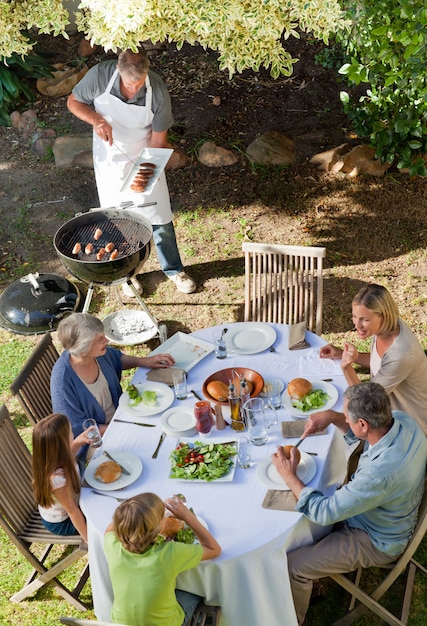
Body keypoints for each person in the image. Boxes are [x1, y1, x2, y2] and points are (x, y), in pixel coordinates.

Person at [271, 382, 427, 625]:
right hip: (386, 510)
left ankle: (295, 620)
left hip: (375, 539)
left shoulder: (379, 474)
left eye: (347, 416)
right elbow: (366, 435)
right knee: (308, 514)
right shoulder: (401, 421)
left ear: (363, 423)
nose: (345, 418)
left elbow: (323, 513)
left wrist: (289, 476)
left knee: (293, 566)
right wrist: (333, 417)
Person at [67, 47, 196, 296]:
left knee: (158, 215)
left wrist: (143, 180)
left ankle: (174, 269)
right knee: (118, 218)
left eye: (139, 84)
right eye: (129, 83)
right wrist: (97, 120)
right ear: (118, 69)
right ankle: (128, 275)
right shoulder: (99, 76)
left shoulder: (157, 91)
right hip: (110, 157)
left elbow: (159, 142)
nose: (134, 88)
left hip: (146, 156)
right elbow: (74, 102)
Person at [50, 313, 174, 459]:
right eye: (100, 340)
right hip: (97, 442)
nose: (107, 341)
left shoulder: (96, 353)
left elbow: (117, 359)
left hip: (123, 417)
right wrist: (123, 428)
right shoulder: (63, 382)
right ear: (83, 350)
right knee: (157, 451)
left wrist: (144, 361)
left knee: (168, 426)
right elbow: (78, 430)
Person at [318, 283, 427, 435]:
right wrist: (340, 353)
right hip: (387, 409)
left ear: (384, 315)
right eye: (355, 317)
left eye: (364, 319)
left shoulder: (401, 354)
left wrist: (347, 368)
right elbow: (380, 364)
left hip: (408, 429)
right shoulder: (386, 328)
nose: (357, 325)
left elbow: (364, 403)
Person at [104, 492, 221, 626]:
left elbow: (109, 529)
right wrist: (188, 517)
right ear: (157, 528)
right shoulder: (169, 553)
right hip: (165, 623)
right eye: (162, 516)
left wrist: (131, 512)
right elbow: (214, 549)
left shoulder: (112, 545)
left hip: (121, 623)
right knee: (196, 589)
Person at [32, 413, 91, 541]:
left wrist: (77, 443)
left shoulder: (54, 459)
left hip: (73, 504)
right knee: (102, 516)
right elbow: (72, 511)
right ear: (62, 445)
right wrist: (88, 539)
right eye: (70, 432)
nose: (73, 433)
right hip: (62, 522)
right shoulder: (57, 481)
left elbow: (68, 457)